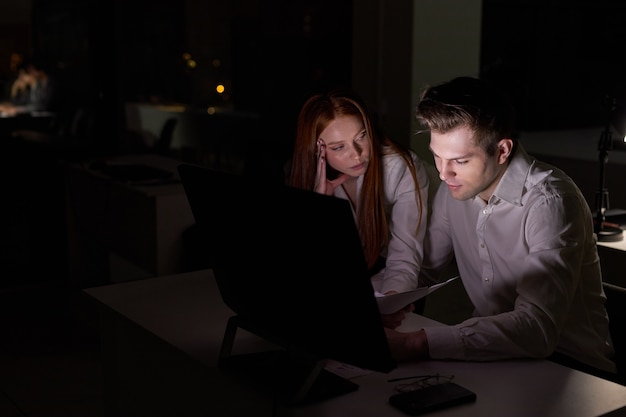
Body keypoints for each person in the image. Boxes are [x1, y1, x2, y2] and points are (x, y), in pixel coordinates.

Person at [385, 76, 617, 379]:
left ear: (502, 150)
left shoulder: (551, 202)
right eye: (437, 157)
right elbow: (421, 269)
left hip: (573, 371)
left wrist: (417, 342)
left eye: (460, 161)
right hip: (495, 361)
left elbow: (537, 328)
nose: (444, 174)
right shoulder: (454, 187)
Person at [289, 89, 430, 327]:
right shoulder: (308, 176)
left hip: (419, 249)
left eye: (361, 136)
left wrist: (390, 304)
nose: (356, 155)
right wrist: (320, 207)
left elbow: (405, 256)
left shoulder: (400, 166)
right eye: (338, 147)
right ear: (317, 150)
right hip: (370, 257)